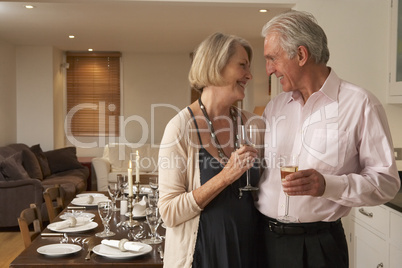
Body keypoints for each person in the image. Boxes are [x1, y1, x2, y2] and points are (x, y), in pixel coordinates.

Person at [256, 10, 401, 268]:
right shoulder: (274, 107)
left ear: (301, 55)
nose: (268, 70)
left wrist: (327, 185)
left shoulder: (360, 104)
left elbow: (387, 184)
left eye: (272, 59)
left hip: (319, 248)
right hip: (264, 241)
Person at [158, 32, 265, 268]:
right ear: (216, 66)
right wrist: (225, 176)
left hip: (249, 254)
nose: (249, 75)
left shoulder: (253, 125)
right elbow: (169, 212)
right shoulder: (180, 128)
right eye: (242, 65)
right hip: (202, 257)